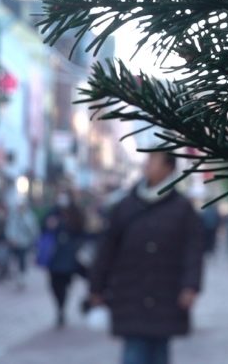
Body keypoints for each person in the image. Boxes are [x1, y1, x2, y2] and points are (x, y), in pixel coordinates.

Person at [89, 152, 204, 364]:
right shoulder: (125, 206)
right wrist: (96, 287)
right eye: (147, 159)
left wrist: (191, 286)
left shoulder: (182, 208)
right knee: (134, 350)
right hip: (129, 292)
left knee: (159, 350)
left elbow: (193, 250)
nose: (147, 164)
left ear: (169, 168)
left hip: (166, 293)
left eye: (153, 159)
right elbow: (106, 249)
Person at [43, 188, 86, 328]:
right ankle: (60, 307)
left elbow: (82, 231)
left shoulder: (75, 213)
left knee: (65, 284)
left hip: (69, 256)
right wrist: (49, 225)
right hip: (54, 255)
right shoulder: (53, 212)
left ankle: (61, 309)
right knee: (54, 285)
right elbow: (43, 228)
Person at [5, 193, 38, 290]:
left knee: (22, 260)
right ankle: (14, 275)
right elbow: (10, 227)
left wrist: (24, 219)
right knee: (13, 260)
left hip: (24, 243)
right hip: (14, 242)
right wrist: (11, 238)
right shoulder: (13, 215)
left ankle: (22, 278)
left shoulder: (30, 216)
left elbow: (33, 230)